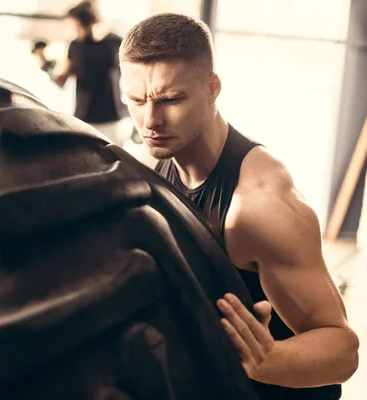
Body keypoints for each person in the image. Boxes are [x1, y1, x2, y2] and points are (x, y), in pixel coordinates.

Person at [119, 13, 359, 399]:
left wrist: (267, 361)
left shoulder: (259, 206)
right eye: (136, 100)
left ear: (212, 88)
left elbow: (343, 350)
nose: (150, 120)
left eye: (172, 99)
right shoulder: (149, 164)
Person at [33, 1, 130, 145]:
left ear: (88, 22)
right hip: (85, 119)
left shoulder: (116, 43)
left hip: (113, 119)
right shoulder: (76, 46)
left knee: (116, 162)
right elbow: (61, 81)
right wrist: (43, 60)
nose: (76, 30)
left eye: (76, 25)